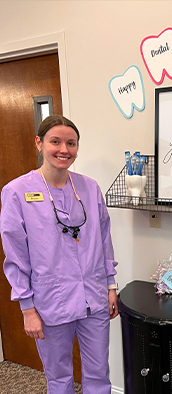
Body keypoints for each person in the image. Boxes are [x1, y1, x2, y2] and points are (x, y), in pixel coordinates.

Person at [0, 115, 118, 394]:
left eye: (71, 143)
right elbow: (15, 256)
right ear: (39, 143)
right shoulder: (17, 192)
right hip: (50, 302)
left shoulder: (89, 188)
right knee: (59, 376)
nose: (64, 149)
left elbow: (104, 239)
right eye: (56, 142)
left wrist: (111, 286)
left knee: (99, 373)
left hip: (94, 298)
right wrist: (27, 309)